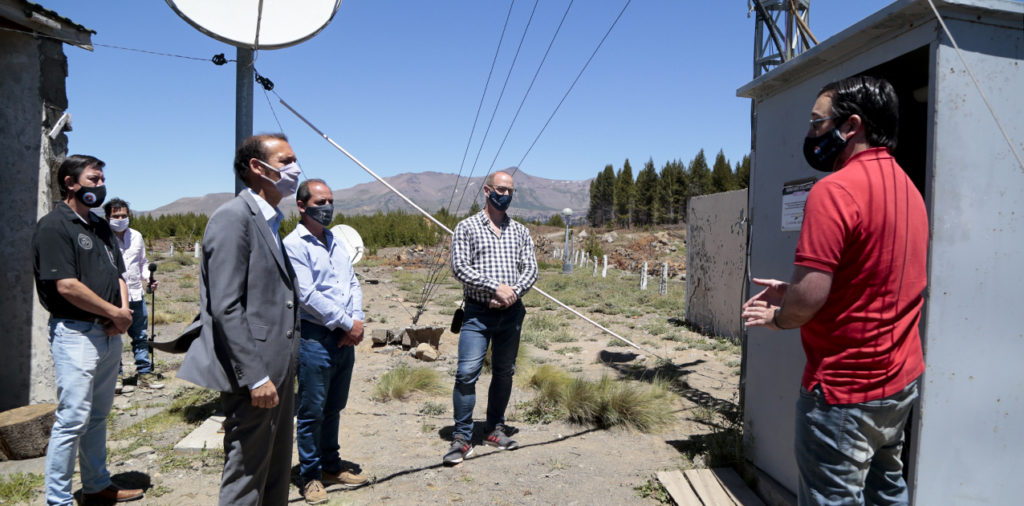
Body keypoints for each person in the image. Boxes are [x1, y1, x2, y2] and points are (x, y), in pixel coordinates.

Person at [741, 76, 927, 505]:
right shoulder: (908, 188)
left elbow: (808, 299)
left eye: (817, 122)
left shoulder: (834, 190)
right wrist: (798, 291)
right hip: (899, 382)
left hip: (844, 389)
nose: (810, 134)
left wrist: (780, 315)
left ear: (852, 125)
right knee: (887, 491)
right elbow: (875, 279)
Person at [177, 133, 302, 505]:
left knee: (275, 469)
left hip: (279, 368)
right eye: (285, 161)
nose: (295, 169)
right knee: (246, 474)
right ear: (257, 167)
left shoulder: (271, 221)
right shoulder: (233, 218)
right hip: (256, 374)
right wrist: (256, 375)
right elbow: (225, 306)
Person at [32, 155, 145, 504]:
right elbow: (67, 286)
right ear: (70, 183)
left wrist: (122, 313)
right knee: (72, 420)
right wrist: (116, 313)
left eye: (101, 180)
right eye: (93, 179)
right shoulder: (54, 226)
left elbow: (119, 273)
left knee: (97, 416)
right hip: (76, 334)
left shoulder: (98, 226)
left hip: (109, 334)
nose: (100, 186)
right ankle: (59, 499)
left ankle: (96, 487)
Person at [283, 179, 370, 504]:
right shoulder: (294, 244)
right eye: (320, 202)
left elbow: (352, 283)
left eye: (330, 201)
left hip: (344, 338)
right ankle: (310, 476)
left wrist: (356, 319)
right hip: (317, 338)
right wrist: (348, 324)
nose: (327, 207)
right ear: (302, 206)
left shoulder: (336, 240)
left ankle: (331, 465)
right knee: (311, 411)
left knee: (334, 406)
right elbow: (306, 295)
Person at [444, 170, 538, 465]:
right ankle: (462, 436)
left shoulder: (520, 231)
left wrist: (512, 293)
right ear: (487, 190)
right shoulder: (467, 227)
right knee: (466, 373)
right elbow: (460, 267)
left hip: (511, 314)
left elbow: (531, 269)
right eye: (500, 189)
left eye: (510, 190)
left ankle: (494, 428)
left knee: (504, 371)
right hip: (478, 313)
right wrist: (495, 287)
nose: (506, 194)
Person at [103, 198, 163, 393]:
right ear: (107, 217)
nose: (120, 219)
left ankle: (144, 374)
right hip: (112, 297)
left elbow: (142, 262)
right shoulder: (101, 237)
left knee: (140, 335)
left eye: (124, 215)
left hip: (136, 294)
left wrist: (148, 278)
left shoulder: (136, 236)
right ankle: (116, 377)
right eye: (116, 216)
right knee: (112, 337)